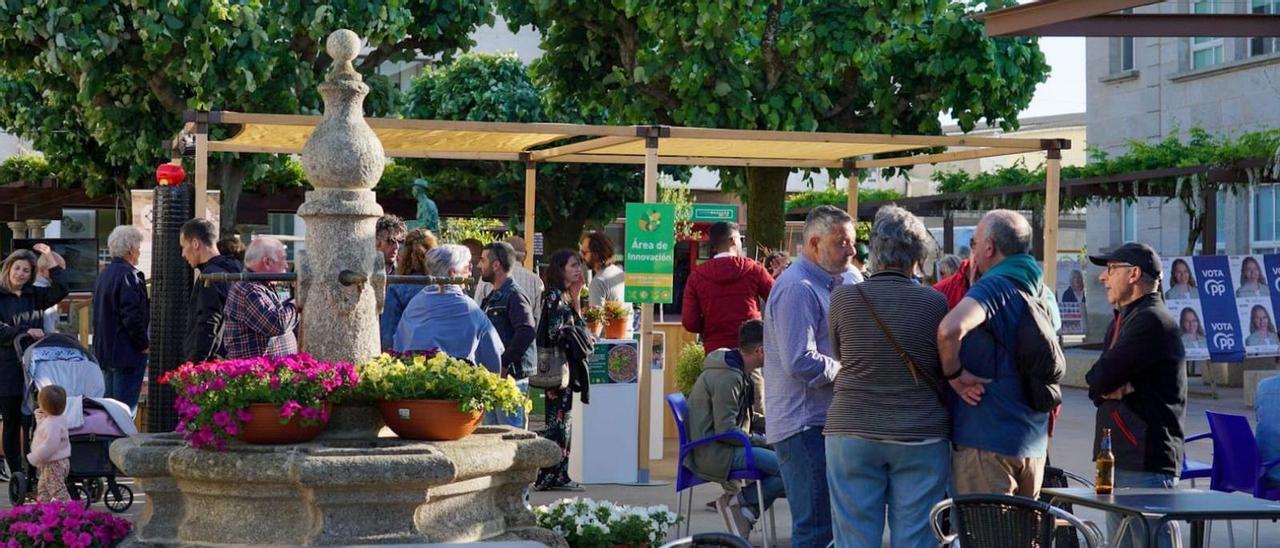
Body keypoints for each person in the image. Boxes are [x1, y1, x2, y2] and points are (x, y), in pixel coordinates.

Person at [826, 206, 951, 548]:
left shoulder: (843, 298)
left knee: (854, 536)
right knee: (916, 536)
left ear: (875, 252)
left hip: (851, 428)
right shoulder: (934, 303)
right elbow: (940, 365)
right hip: (920, 432)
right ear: (918, 254)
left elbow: (840, 356)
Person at [937, 209, 1051, 498]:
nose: (971, 252)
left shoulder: (995, 286)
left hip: (987, 442)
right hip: (1031, 444)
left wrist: (954, 375)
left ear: (989, 247)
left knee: (987, 536)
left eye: (973, 244)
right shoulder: (1039, 290)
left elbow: (949, 330)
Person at [762, 205, 856, 547]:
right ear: (814, 243)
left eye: (852, 242)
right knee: (815, 529)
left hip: (825, 423)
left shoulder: (846, 279)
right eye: (842, 243)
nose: (852, 250)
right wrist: (850, 371)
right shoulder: (797, 288)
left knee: (827, 526)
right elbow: (800, 361)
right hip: (803, 427)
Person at [1085, 242, 1186, 548]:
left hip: (1144, 460)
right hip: (1118, 457)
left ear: (1134, 274)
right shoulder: (1123, 320)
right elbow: (1097, 384)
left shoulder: (1151, 320)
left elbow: (1100, 377)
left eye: (1111, 269)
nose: (1103, 277)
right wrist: (1108, 387)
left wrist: (1112, 385)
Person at [687, 319, 781, 540]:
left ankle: (746, 510)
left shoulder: (737, 368)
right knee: (788, 469)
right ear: (760, 350)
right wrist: (762, 440)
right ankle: (740, 504)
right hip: (715, 452)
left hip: (724, 445)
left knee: (790, 469)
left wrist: (776, 427)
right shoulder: (728, 377)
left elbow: (745, 417)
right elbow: (726, 429)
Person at [394, 245, 503, 372]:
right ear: (453, 273)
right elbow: (492, 355)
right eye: (468, 267)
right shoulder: (469, 308)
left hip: (416, 380)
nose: (470, 272)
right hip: (458, 384)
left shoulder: (415, 304)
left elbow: (399, 343)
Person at [534, 249, 589, 492]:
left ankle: (558, 474)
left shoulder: (564, 295)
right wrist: (575, 338)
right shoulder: (555, 296)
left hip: (564, 369)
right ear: (561, 269)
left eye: (579, 265)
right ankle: (550, 475)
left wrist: (576, 297)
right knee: (557, 424)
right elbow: (556, 332)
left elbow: (579, 324)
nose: (578, 269)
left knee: (562, 423)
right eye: (573, 265)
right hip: (558, 369)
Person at [682, 222, 774, 352]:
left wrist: (709, 326)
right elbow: (779, 299)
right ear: (733, 240)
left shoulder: (696, 276)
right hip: (751, 348)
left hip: (715, 349)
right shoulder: (754, 270)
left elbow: (690, 322)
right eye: (740, 239)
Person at [92, 225, 150, 412]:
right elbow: (131, 315)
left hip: (105, 351)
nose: (139, 251)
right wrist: (143, 344)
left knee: (108, 413)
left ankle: (110, 443)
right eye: (138, 247)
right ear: (131, 249)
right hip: (126, 352)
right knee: (124, 413)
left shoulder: (104, 275)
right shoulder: (129, 275)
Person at [479, 241, 536, 428]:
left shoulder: (513, 295)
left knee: (511, 436)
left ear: (496, 265)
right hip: (495, 377)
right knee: (492, 436)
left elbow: (527, 330)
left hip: (511, 379)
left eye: (483, 260)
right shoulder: (494, 295)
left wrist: (504, 362)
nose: (479, 265)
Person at [222, 238, 299, 359]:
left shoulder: (261, 285)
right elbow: (276, 324)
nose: (286, 265)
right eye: (283, 259)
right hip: (254, 373)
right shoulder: (248, 289)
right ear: (267, 262)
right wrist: (297, 303)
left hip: (267, 372)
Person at [181, 218, 244, 363]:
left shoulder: (211, 276)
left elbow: (209, 322)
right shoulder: (233, 271)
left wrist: (197, 362)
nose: (183, 254)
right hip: (226, 358)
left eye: (183, 246)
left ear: (195, 243)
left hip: (211, 362)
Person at [379, 228, 438, 350]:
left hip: (408, 354)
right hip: (440, 353)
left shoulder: (397, 288)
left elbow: (388, 334)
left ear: (404, 255)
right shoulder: (442, 286)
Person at [475, 235, 545, 325]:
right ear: (525, 255)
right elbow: (537, 316)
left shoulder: (488, 276)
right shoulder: (536, 281)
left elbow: (477, 308)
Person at [27, 385, 70, 502]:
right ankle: (43, 512)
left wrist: (35, 457)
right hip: (55, 462)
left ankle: (71, 512)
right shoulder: (57, 419)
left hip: (53, 463)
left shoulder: (52, 425)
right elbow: (44, 426)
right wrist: (40, 415)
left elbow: (49, 446)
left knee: (58, 491)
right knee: (43, 489)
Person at [581, 232, 625, 306]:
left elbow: (596, 316)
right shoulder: (619, 273)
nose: (582, 257)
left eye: (584, 253)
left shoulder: (599, 282)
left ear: (596, 254)